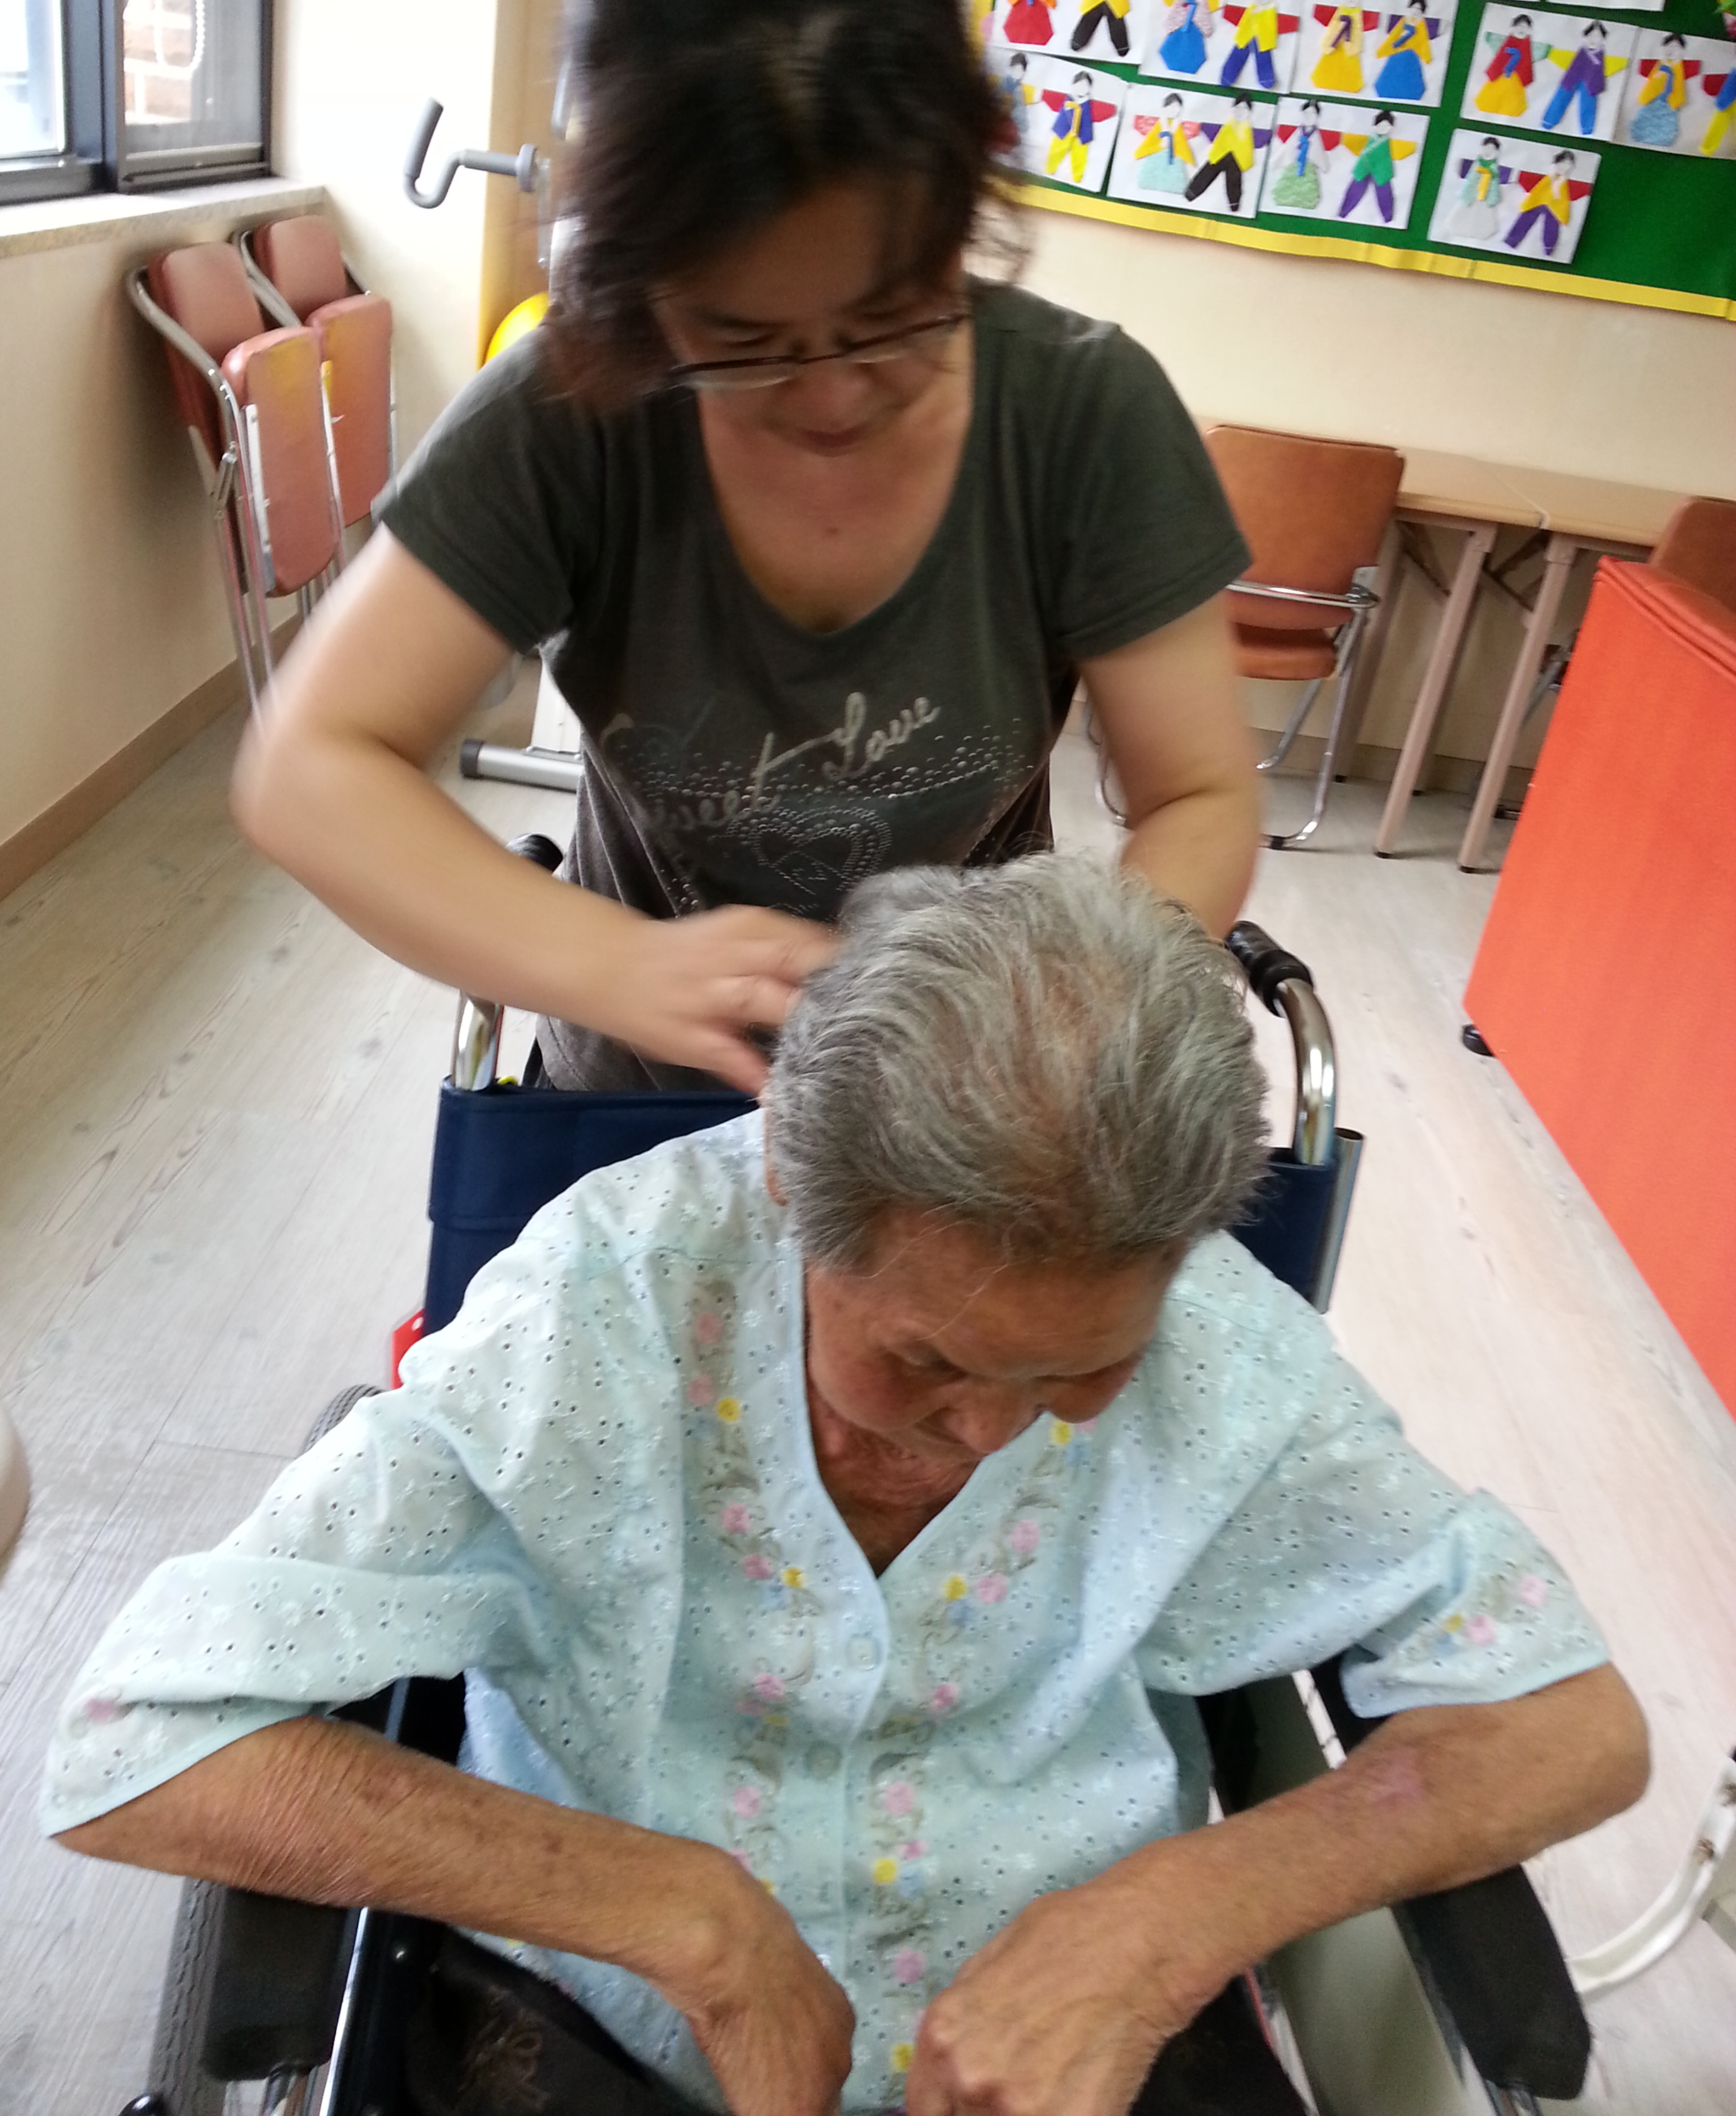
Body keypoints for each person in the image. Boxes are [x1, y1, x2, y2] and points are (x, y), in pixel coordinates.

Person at [45, 859, 1647, 2116]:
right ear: (789, 1189)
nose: (987, 1435)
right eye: (924, 1360)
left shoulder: (1220, 1344)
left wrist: (1175, 1917)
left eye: (1077, 1372)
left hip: (1086, 2048)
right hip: (599, 2033)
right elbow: (137, 1742)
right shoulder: (602, 1312)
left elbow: (1571, 1724)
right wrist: (683, 1917)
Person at [232, 0, 1260, 1100]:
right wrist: (613, 966)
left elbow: (1200, 795)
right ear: (638, 289)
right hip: (629, 1100)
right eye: (742, 341)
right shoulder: (573, 413)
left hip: (948, 1108)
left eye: (892, 318)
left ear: (961, 211)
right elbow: (310, 769)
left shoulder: (1082, 416)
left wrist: (1065, 1009)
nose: (829, 396)